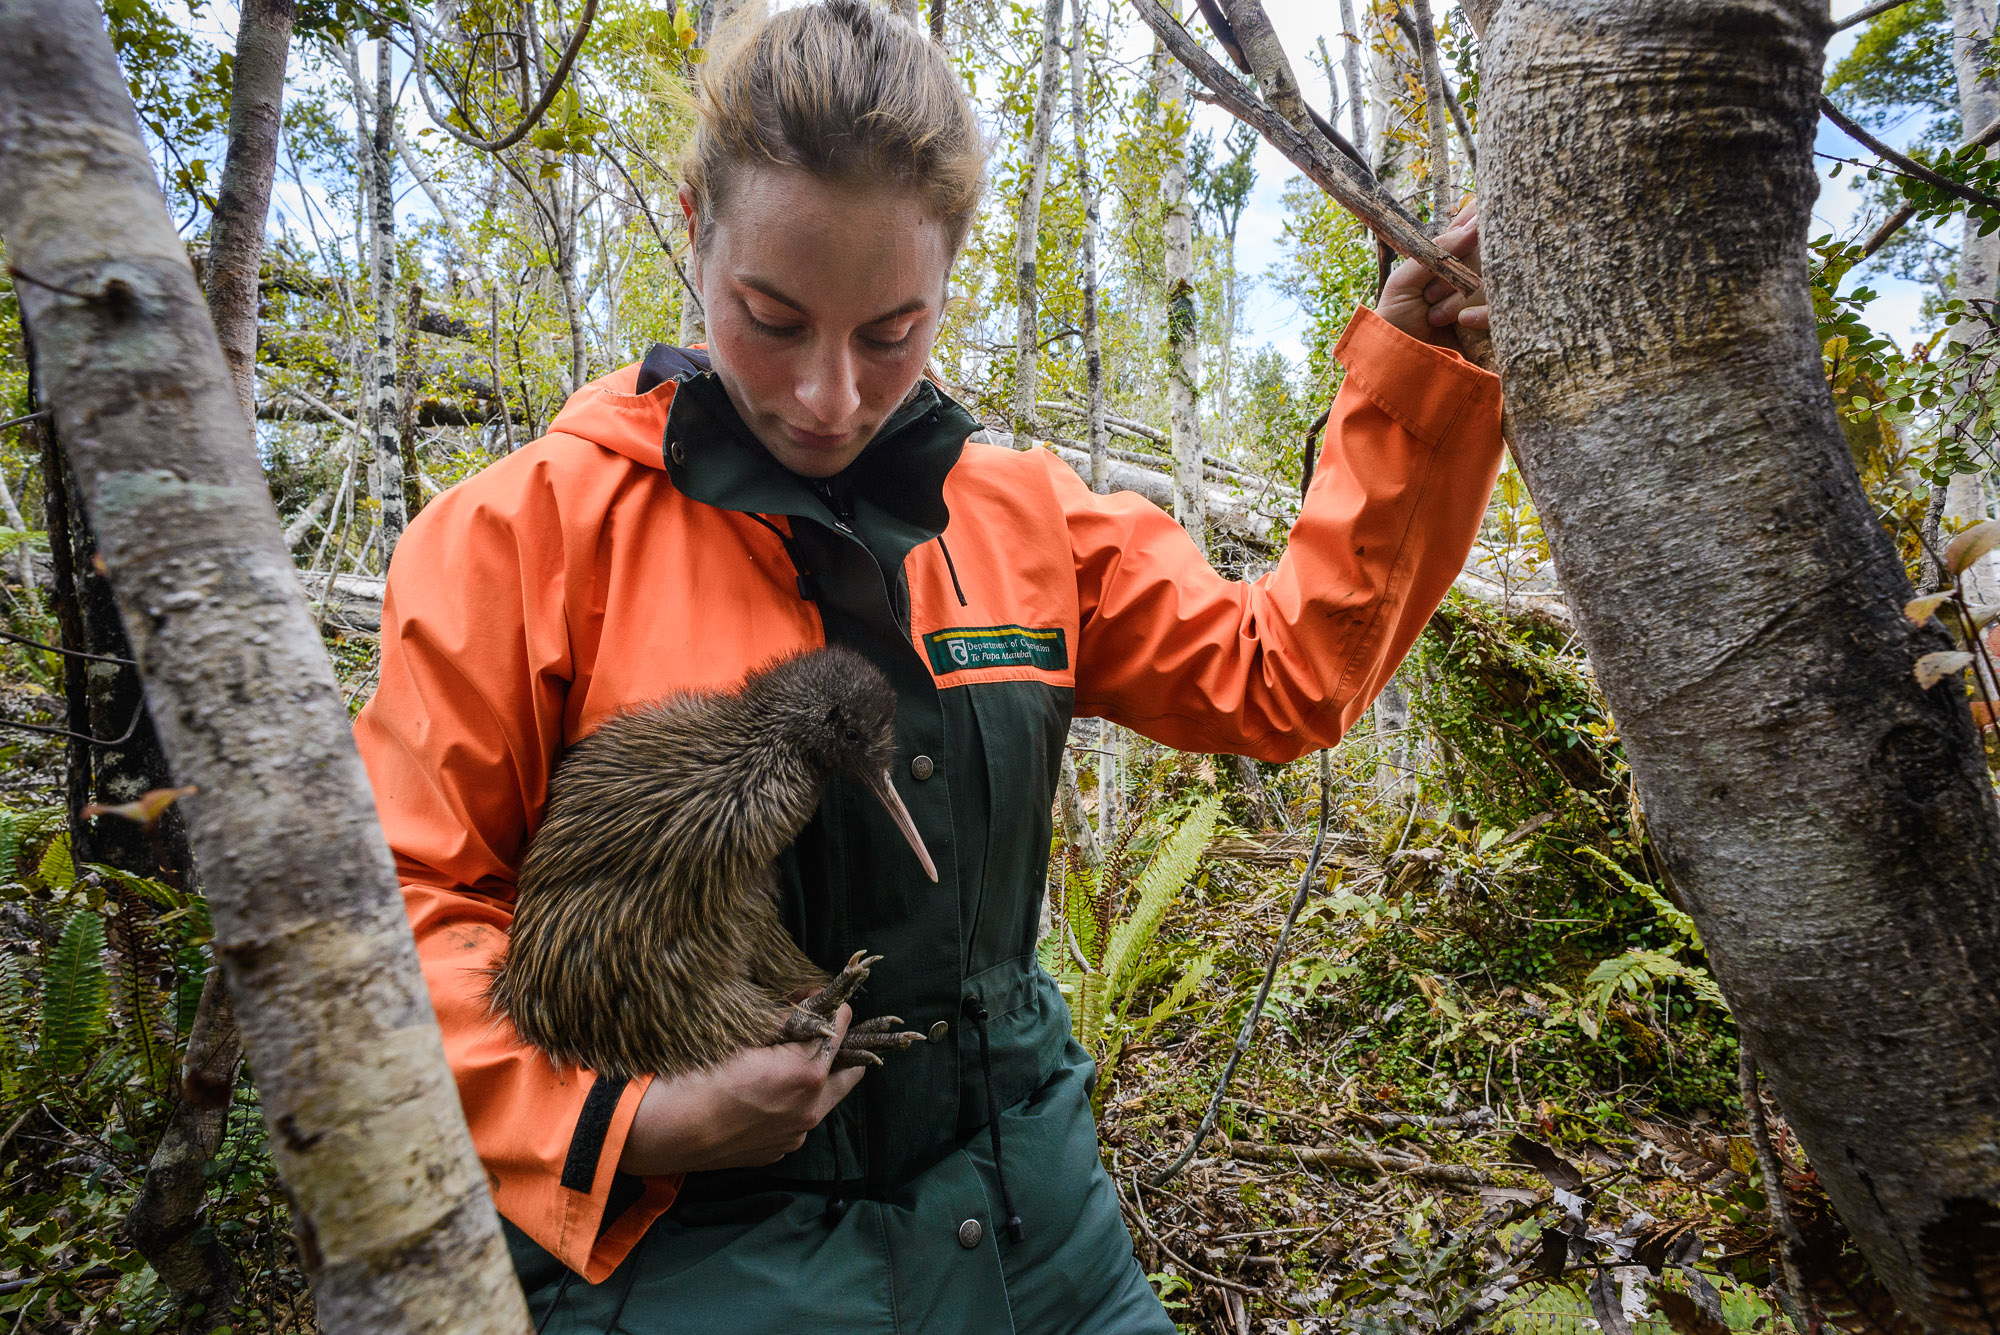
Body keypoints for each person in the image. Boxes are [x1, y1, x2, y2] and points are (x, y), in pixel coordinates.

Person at [353, 2, 1503, 1330]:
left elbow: (1284, 677)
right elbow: (404, 910)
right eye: (771, 321)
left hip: (1041, 1237)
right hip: (709, 1264)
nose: (829, 398)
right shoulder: (523, 537)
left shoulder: (1021, 513)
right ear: (692, 226)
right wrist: (629, 1117)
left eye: (891, 334)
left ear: (949, 279)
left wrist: (1421, 379)